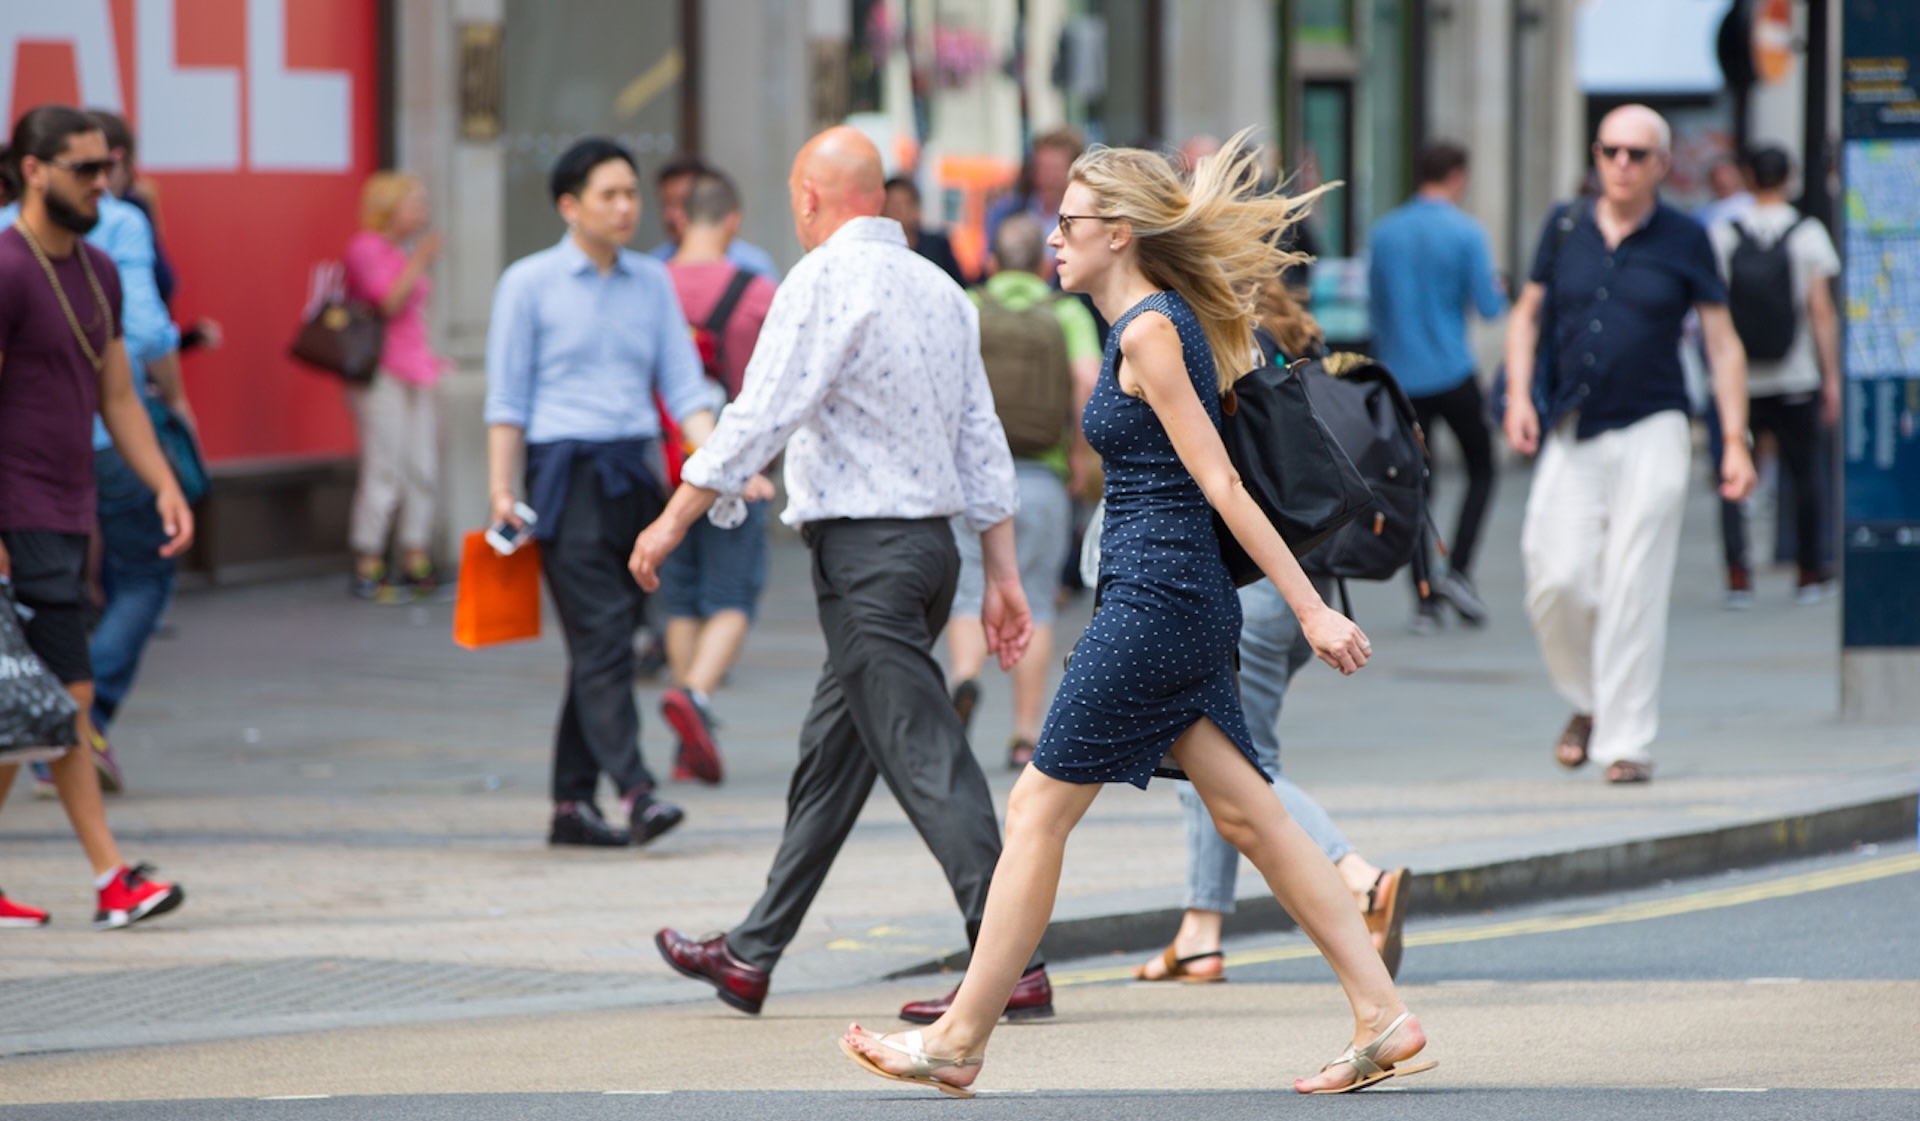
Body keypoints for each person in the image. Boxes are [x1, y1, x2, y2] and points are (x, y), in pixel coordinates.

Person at [840, 131, 1433, 1097]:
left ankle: (958, 1038)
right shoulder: (1144, 327)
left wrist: (1312, 611)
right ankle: (1383, 1014)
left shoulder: (1153, 331)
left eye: (1070, 224)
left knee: (1036, 805)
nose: (1054, 239)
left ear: (1117, 233)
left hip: (1158, 604)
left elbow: (1225, 485)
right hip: (1168, 598)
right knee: (1253, 815)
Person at [635, 126, 1054, 1024]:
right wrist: (1002, 574)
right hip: (929, 554)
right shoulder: (944, 288)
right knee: (831, 761)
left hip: (867, 557)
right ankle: (751, 953)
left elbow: (761, 410)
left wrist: (674, 518)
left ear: (810, 198)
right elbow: (983, 439)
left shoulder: (824, 278)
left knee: (927, 752)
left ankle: (1008, 956)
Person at [1136, 279, 1410, 984]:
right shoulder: (1295, 346)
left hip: (1254, 591)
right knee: (1222, 758)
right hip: (1313, 581)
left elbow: (1213, 480)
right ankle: (1200, 929)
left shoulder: (1205, 351)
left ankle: (1359, 875)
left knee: (1235, 770)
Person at [1502, 105, 1756, 786]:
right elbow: (1525, 316)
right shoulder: (1563, 227)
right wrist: (1519, 395)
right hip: (1573, 423)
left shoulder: (1685, 238)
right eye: (1610, 150)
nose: (1621, 164)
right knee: (1554, 575)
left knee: (1632, 582)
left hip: (1655, 425)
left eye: (1636, 154)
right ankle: (1587, 700)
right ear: (1596, 155)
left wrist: (1735, 439)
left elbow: (1723, 344)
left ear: (1661, 165)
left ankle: (1627, 741)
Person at [485, 137, 712, 848]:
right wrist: (500, 489)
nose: (625, 207)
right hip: (563, 474)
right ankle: (638, 790)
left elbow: (683, 387)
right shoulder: (528, 282)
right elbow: (506, 398)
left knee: (602, 642)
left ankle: (569, 806)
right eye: (609, 194)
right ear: (568, 205)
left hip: (636, 476)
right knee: (606, 637)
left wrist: (719, 460)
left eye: (631, 194)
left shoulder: (652, 283)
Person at [0, 104, 192, 928]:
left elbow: (119, 392)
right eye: (83, 169)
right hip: (19, 506)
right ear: (33, 170)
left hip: (71, 502)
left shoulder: (100, 270)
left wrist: (162, 482)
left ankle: (111, 879)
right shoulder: (7, 269)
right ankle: (112, 877)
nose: (101, 183)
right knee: (62, 696)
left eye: (105, 167)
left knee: (34, 707)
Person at [945, 212, 1097, 768]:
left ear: (990, 262)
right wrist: (1080, 455)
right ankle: (1025, 736)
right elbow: (1086, 380)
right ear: (1041, 265)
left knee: (966, 591)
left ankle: (963, 677)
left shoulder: (968, 304)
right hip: (1040, 476)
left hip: (970, 477)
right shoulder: (1064, 312)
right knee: (1033, 598)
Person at [659, 169, 779, 784]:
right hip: (738, 467)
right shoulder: (757, 291)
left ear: (679, 217)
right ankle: (696, 696)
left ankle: (687, 736)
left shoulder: (648, 286)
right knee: (731, 594)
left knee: (680, 594)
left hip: (664, 464)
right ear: (731, 220)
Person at [1368, 140, 1507, 632]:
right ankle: (1460, 570)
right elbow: (1489, 309)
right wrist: (1502, 289)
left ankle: (1425, 596)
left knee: (1413, 486)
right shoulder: (1467, 232)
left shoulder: (1384, 233)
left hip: (1401, 375)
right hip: (1452, 368)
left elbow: (1377, 309)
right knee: (1483, 468)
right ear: (1457, 176)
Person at [1707, 145, 1840, 607]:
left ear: (1747, 176)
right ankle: (1809, 573)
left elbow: (1713, 309)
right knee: (1805, 474)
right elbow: (1820, 310)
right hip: (1796, 375)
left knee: (1732, 474)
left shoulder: (1725, 234)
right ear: (1789, 178)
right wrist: (1832, 376)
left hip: (1738, 379)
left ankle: (1739, 576)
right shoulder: (1807, 234)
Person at [342, 172, 446, 601]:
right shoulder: (365, 248)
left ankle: (414, 556)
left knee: (422, 465)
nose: (422, 211)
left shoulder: (400, 250)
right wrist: (420, 259)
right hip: (379, 372)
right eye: (415, 203)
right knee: (384, 467)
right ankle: (369, 561)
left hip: (416, 368)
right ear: (390, 207)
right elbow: (387, 300)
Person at [647, 153, 779, 281]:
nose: (672, 214)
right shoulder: (654, 267)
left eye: (683, 203)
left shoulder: (753, 267)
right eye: (666, 204)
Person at [983, 127, 1085, 281]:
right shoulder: (1005, 215)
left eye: (1055, 170)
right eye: (1042, 167)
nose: (1047, 178)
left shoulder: (1085, 221)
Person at [882, 175, 971, 287]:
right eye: (894, 205)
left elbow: (957, 285)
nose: (900, 212)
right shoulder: (878, 250)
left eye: (905, 204)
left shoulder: (937, 246)